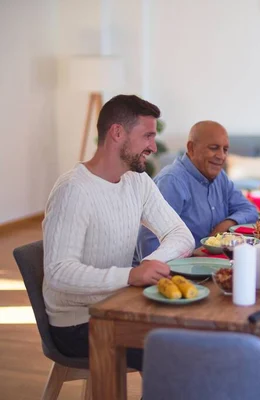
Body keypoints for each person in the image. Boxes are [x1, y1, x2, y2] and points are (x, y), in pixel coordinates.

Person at [43, 94, 195, 371]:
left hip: (121, 306)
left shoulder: (137, 181)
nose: (152, 145)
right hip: (80, 323)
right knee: (178, 353)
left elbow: (180, 234)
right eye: (147, 136)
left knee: (198, 340)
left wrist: (150, 264)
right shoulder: (73, 191)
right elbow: (58, 273)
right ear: (117, 133)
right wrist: (129, 275)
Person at [136, 121, 258, 260]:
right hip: (175, 272)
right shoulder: (172, 181)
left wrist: (226, 224)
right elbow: (149, 248)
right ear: (191, 148)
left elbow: (250, 210)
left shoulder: (220, 177)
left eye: (225, 150)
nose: (221, 156)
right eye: (214, 148)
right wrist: (190, 254)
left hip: (210, 266)